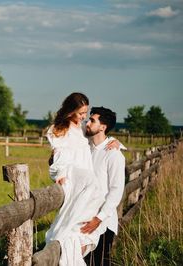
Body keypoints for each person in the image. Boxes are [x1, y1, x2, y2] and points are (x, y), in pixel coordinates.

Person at [45, 92, 108, 265]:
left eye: (86, 113)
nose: (84, 117)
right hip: (72, 171)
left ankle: (73, 237)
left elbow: (99, 134)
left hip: (85, 170)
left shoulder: (82, 128)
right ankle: (67, 238)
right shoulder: (58, 129)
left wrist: (113, 141)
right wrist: (61, 174)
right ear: (71, 111)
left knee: (95, 193)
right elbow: (59, 154)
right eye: (81, 113)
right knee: (90, 183)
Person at [81, 107, 126, 266]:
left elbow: (116, 191)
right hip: (83, 217)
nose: (87, 122)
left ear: (103, 127)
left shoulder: (114, 155)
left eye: (92, 120)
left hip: (102, 222)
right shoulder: (86, 149)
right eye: (88, 119)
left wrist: (98, 219)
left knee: (98, 263)